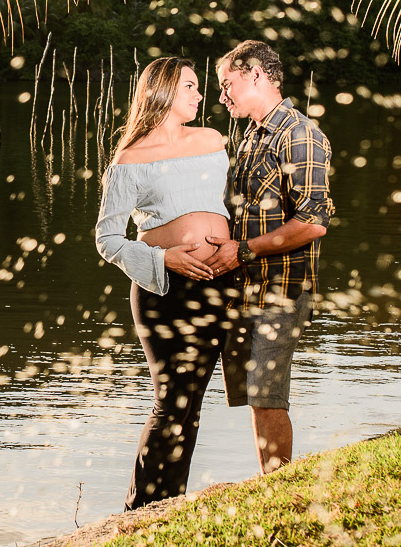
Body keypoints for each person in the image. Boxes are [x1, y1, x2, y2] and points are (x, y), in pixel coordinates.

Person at [95, 56, 232, 509]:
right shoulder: (130, 160)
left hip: (218, 283)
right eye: (190, 87)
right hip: (164, 290)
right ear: (164, 91)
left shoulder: (212, 140)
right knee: (172, 397)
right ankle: (142, 507)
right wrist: (164, 258)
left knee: (192, 400)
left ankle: (171, 503)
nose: (198, 95)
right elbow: (107, 239)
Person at [205, 40, 334, 475]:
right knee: (254, 394)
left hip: (281, 289)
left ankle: (278, 488)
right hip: (243, 287)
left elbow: (314, 222)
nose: (222, 97)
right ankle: (269, 482)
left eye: (228, 85)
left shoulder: (301, 134)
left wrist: (242, 250)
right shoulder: (251, 135)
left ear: (256, 75)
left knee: (266, 394)